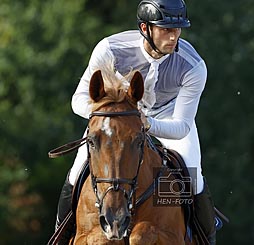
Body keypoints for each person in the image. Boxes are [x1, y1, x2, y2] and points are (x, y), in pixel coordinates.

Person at [55, 0, 216, 244]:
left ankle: (206, 238)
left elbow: (182, 126)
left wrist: (146, 123)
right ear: (145, 28)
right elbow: (78, 100)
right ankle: (60, 235)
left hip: (167, 119)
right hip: (116, 119)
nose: (173, 37)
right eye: (165, 30)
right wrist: (110, 116)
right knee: (76, 174)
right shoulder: (110, 49)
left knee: (193, 179)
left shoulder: (193, 66)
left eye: (177, 29)